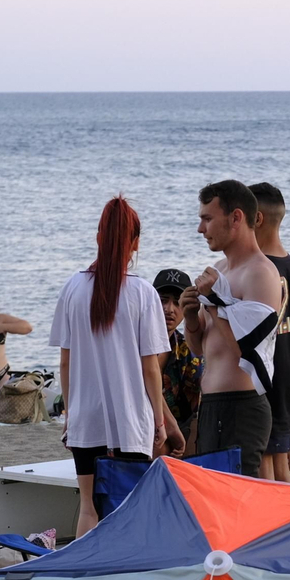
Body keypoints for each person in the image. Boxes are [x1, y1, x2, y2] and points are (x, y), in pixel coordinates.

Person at [50, 196, 184, 537]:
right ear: (134, 242)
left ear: (99, 237)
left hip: (85, 417)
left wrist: (70, 413)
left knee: (89, 507)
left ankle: (86, 578)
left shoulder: (72, 289)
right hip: (130, 420)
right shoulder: (142, 293)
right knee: (128, 508)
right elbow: (150, 368)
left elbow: (65, 362)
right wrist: (160, 421)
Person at [182, 181, 282, 477]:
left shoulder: (261, 273)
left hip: (241, 408)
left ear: (236, 218)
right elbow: (200, 348)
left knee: (238, 508)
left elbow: (245, 350)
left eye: (208, 218)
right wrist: (191, 318)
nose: (201, 228)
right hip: (211, 406)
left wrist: (213, 301)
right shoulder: (220, 269)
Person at [250, 182, 290, 482]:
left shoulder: (262, 272)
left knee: (264, 476)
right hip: (289, 386)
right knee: (281, 471)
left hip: (266, 389)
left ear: (256, 219)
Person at [152, 268, 203, 450]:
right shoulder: (135, 343)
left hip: (178, 433)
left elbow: (196, 405)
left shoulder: (187, 348)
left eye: (177, 303)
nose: (169, 310)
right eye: (163, 301)